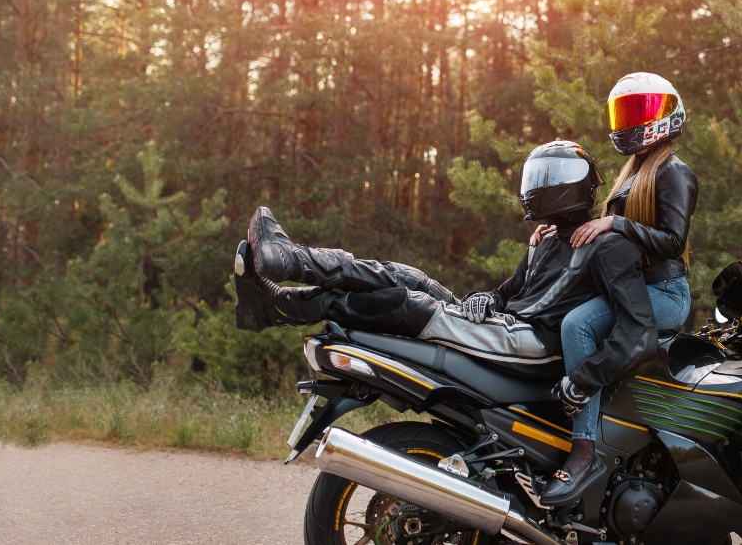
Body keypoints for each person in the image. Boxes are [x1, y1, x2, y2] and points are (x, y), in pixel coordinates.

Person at [233, 143, 658, 502]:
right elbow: (510, 292)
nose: (537, 186)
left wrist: (583, 379)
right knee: (409, 277)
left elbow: (638, 333)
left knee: (412, 304)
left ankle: (285, 304)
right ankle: (287, 267)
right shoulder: (548, 239)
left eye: (549, 177)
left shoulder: (608, 247)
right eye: (537, 176)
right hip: (503, 325)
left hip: (529, 344)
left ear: (572, 184)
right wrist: (483, 299)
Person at [530, 72, 698, 501]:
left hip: (664, 294)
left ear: (666, 114)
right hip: (627, 286)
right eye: (624, 112)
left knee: (576, 326)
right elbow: (600, 236)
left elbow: (673, 242)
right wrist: (555, 230)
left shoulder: (674, 173)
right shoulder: (634, 171)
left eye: (639, 111)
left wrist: (615, 221)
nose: (629, 121)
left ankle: (584, 450)